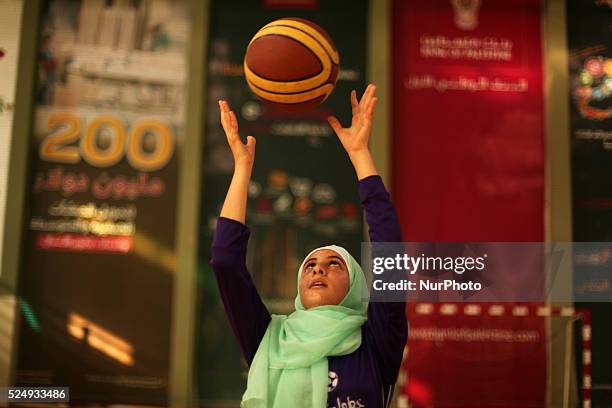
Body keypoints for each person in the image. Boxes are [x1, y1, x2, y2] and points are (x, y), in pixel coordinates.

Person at [211, 84, 407, 408]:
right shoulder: (270, 338)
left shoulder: (376, 340)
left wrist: (360, 154)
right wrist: (242, 170)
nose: (318, 268)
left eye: (335, 264)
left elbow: (390, 250)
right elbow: (225, 261)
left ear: (357, 286)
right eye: (311, 265)